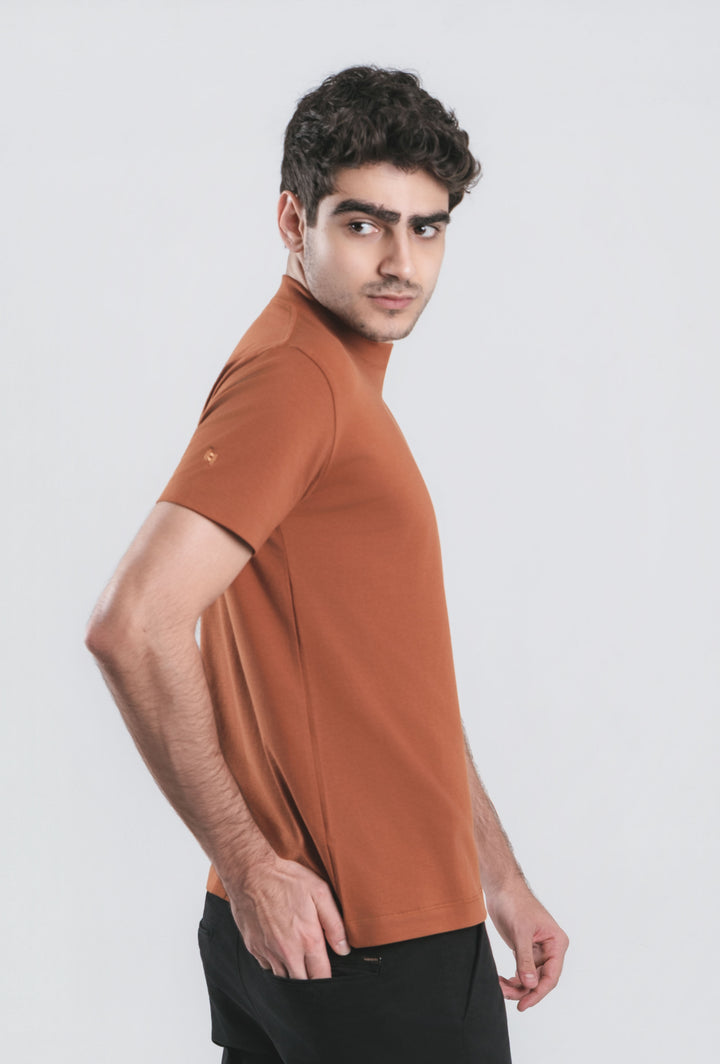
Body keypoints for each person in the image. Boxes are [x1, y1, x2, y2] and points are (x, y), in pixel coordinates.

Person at [86, 65, 568, 1064]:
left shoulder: (326, 376)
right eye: (363, 224)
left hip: (324, 931)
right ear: (291, 220)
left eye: (426, 228)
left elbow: (387, 684)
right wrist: (248, 862)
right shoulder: (298, 380)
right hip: (373, 944)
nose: (400, 262)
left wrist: (497, 875)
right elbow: (131, 625)